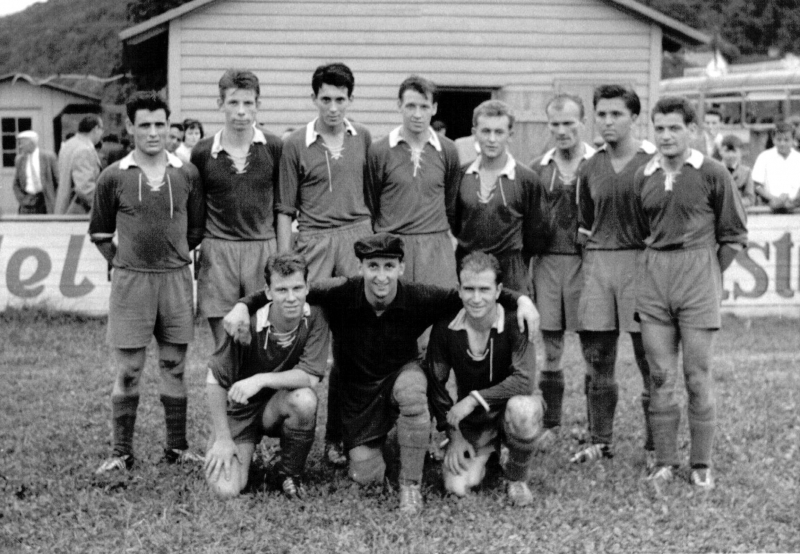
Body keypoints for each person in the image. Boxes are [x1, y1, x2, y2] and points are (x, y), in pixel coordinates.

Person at [223, 233, 540, 513]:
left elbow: (475, 294)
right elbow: (290, 288)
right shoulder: (341, 291)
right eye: (372, 266)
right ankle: (390, 444)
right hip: (359, 396)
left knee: (414, 386)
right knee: (366, 476)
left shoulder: (419, 296)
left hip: (401, 377)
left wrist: (522, 298)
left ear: (401, 268)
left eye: (389, 266)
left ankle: (410, 487)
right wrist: (242, 305)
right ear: (360, 267)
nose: (381, 275)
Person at [89, 91, 205, 473]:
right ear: (129, 127)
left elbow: (195, 231)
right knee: (129, 370)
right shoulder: (113, 176)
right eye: (145, 125)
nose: (153, 133)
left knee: (173, 364)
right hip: (132, 282)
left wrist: (170, 257)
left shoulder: (186, 173)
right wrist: (125, 263)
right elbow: (101, 234)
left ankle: (177, 447)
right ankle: (121, 453)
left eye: (160, 124)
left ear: (168, 126)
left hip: (174, 279)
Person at [636, 97, 747, 490]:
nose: (666, 136)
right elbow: (641, 230)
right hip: (655, 277)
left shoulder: (713, 172)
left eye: (674, 128)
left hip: (699, 272)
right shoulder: (643, 174)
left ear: (693, 130)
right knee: (661, 374)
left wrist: (709, 275)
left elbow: (733, 235)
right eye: (659, 128)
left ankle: (701, 463)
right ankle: (665, 461)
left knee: (697, 376)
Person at [276, 63, 374, 467]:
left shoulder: (364, 138)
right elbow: (284, 209)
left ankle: (340, 437)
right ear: (313, 98)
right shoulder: (295, 143)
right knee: (309, 344)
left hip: (356, 242)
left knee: (352, 348)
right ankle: (292, 436)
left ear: (351, 99)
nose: (333, 107)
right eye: (326, 99)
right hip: (313, 244)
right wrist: (286, 265)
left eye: (341, 99)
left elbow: (375, 199)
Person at [573, 84, 656, 467]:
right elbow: (584, 225)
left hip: (641, 265)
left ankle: (658, 444)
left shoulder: (653, 162)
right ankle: (600, 441)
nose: (607, 121)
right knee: (598, 360)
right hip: (599, 264)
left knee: (650, 359)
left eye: (616, 114)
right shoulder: (590, 166)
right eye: (601, 114)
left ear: (634, 118)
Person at [205, 253, 329, 498]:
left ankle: (289, 473)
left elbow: (310, 377)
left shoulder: (316, 316)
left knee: (304, 399)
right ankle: (236, 446)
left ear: (308, 287)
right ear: (268, 292)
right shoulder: (245, 322)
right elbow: (214, 380)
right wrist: (222, 437)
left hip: (276, 405)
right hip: (241, 410)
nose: (291, 297)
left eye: (297, 288)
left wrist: (260, 379)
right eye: (282, 290)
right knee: (226, 490)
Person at [426, 252, 544, 506]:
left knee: (523, 409)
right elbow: (437, 385)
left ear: (499, 290)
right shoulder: (446, 327)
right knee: (457, 487)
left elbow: (524, 381)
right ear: (458, 289)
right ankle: (487, 457)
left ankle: (517, 478)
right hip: (476, 421)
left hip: (507, 408)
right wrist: (454, 435)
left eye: (484, 289)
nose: (476, 298)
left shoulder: (516, 321)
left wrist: (473, 399)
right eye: (469, 289)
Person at [190, 69, 283, 354]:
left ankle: (256, 398)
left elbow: (282, 206)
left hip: (262, 248)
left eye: (248, 103)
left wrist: (280, 255)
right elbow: (196, 208)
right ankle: (225, 398)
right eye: (233, 103)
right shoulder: (203, 151)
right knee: (225, 346)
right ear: (220, 104)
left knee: (262, 343)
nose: (241, 112)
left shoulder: (275, 146)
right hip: (219, 251)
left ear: (258, 104)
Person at [529, 94, 596, 443]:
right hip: (549, 263)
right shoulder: (536, 168)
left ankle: (595, 426)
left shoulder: (599, 164)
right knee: (551, 350)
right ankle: (552, 424)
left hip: (588, 265)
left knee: (593, 350)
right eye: (555, 124)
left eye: (569, 123)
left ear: (583, 123)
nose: (562, 130)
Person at [366, 75, 462, 288]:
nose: (417, 114)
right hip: (393, 246)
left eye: (424, 106)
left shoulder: (448, 150)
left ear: (434, 108)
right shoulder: (379, 150)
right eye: (410, 106)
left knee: (440, 311)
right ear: (399, 105)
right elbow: (371, 201)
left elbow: (451, 203)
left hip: (436, 246)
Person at [453, 99, 550, 293]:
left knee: (513, 322)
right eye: (485, 131)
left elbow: (538, 232)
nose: (491, 139)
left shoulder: (527, 178)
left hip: (511, 273)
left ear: (510, 135)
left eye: (499, 132)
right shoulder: (460, 175)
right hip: (468, 269)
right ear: (474, 133)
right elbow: (455, 222)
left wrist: (518, 261)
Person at [55, 114, 104, 214]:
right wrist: (105, 205)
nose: (102, 133)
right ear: (96, 129)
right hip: (80, 213)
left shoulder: (68, 145)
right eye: (102, 129)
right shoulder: (85, 150)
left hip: (64, 208)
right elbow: (85, 188)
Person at [752, 121, 800, 213]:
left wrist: (794, 200)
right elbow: (756, 186)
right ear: (773, 139)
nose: (782, 143)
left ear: (793, 140)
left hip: (796, 208)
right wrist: (773, 198)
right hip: (769, 207)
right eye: (779, 139)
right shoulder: (764, 157)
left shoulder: (798, 158)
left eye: (786, 140)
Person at [12, 131, 58, 214]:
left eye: (22, 143)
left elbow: (58, 181)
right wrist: (23, 199)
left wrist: (55, 200)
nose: (20, 146)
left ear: (31, 143)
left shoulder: (48, 157)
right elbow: (16, 184)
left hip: (46, 201)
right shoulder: (19, 160)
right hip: (27, 202)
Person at [719, 135, 756, 208]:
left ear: (741, 152)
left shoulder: (746, 172)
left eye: (734, 151)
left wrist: (735, 203)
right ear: (720, 151)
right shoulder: (714, 170)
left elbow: (750, 199)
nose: (730, 155)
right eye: (727, 151)